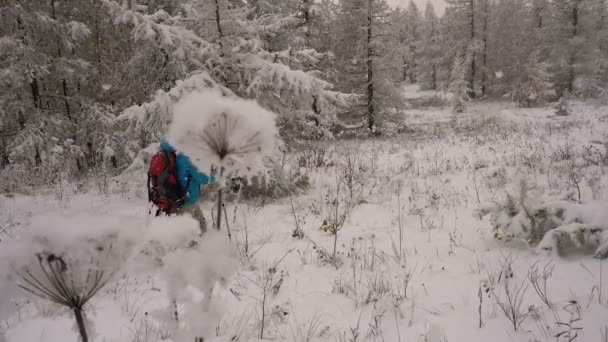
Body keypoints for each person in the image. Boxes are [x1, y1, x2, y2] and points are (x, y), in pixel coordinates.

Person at [159, 138, 215, 235]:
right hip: (187, 201)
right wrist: (217, 177)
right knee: (189, 236)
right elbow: (202, 178)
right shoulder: (186, 158)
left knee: (201, 227)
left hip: (184, 199)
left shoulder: (176, 155)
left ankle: (202, 246)